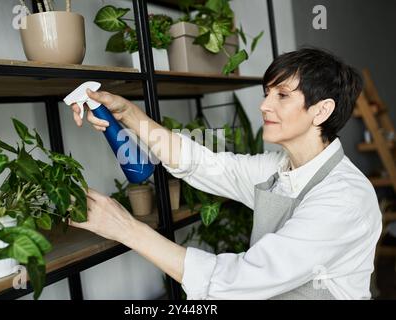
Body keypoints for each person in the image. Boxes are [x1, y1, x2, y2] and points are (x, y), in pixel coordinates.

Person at [67, 48, 382, 300]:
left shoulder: (343, 198)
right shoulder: (275, 169)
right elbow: (201, 163)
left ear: (321, 110)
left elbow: (245, 279)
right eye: (266, 93)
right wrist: (129, 114)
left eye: (282, 95)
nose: (264, 106)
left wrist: (125, 228)